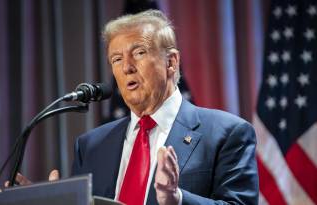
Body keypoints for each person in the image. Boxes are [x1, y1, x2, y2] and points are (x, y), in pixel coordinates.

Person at [14, 10, 259, 205]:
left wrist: (177, 200)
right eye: (116, 59)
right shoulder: (91, 146)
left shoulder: (227, 133)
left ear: (171, 62)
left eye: (139, 53)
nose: (126, 67)